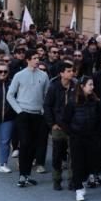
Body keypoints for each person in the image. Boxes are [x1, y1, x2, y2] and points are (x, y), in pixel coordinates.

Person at [7, 50, 50, 188]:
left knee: (33, 145)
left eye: (38, 57)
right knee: (24, 144)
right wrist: (19, 111)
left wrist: (43, 111)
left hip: (37, 114)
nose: (37, 60)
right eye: (35, 58)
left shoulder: (43, 75)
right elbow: (10, 95)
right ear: (28, 60)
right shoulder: (19, 75)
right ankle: (21, 175)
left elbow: (46, 95)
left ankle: (26, 175)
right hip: (23, 113)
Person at [62, 76, 101, 201]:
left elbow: (99, 119)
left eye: (93, 84)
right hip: (77, 138)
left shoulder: (95, 101)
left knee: (89, 163)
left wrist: (97, 134)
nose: (92, 87)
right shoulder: (72, 102)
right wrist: (72, 133)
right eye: (90, 84)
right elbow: (65, 121)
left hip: (91, 138)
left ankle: (83, 181)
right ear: (82, 86)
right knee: (77, 163)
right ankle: (78, 189)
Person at [43, 60, 76, 191]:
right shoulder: (54, 87)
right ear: (61, 73)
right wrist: (52, 123)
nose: (71, 73)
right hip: (58, 127)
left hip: (73, 127)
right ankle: (57, 179)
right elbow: (47, 106)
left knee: (73, 155)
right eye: (68, 71)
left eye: (72, 70)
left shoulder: (75, 87)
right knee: (57, 154)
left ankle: (72, 180)